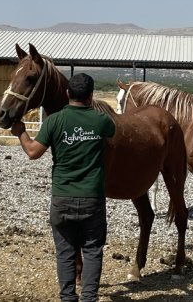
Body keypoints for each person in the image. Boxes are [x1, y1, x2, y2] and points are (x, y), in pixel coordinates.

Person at [11, 73, 116, 302]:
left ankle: (68, 298)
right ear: (90, 96)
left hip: (62, 198)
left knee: (65, 252)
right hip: (92, 199)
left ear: (68, 94)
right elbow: (112, 133)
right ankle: (89, 298)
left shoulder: (54, 121)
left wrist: (21, 132)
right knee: (92, 251)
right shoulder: (101, 121)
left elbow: (32, 152)